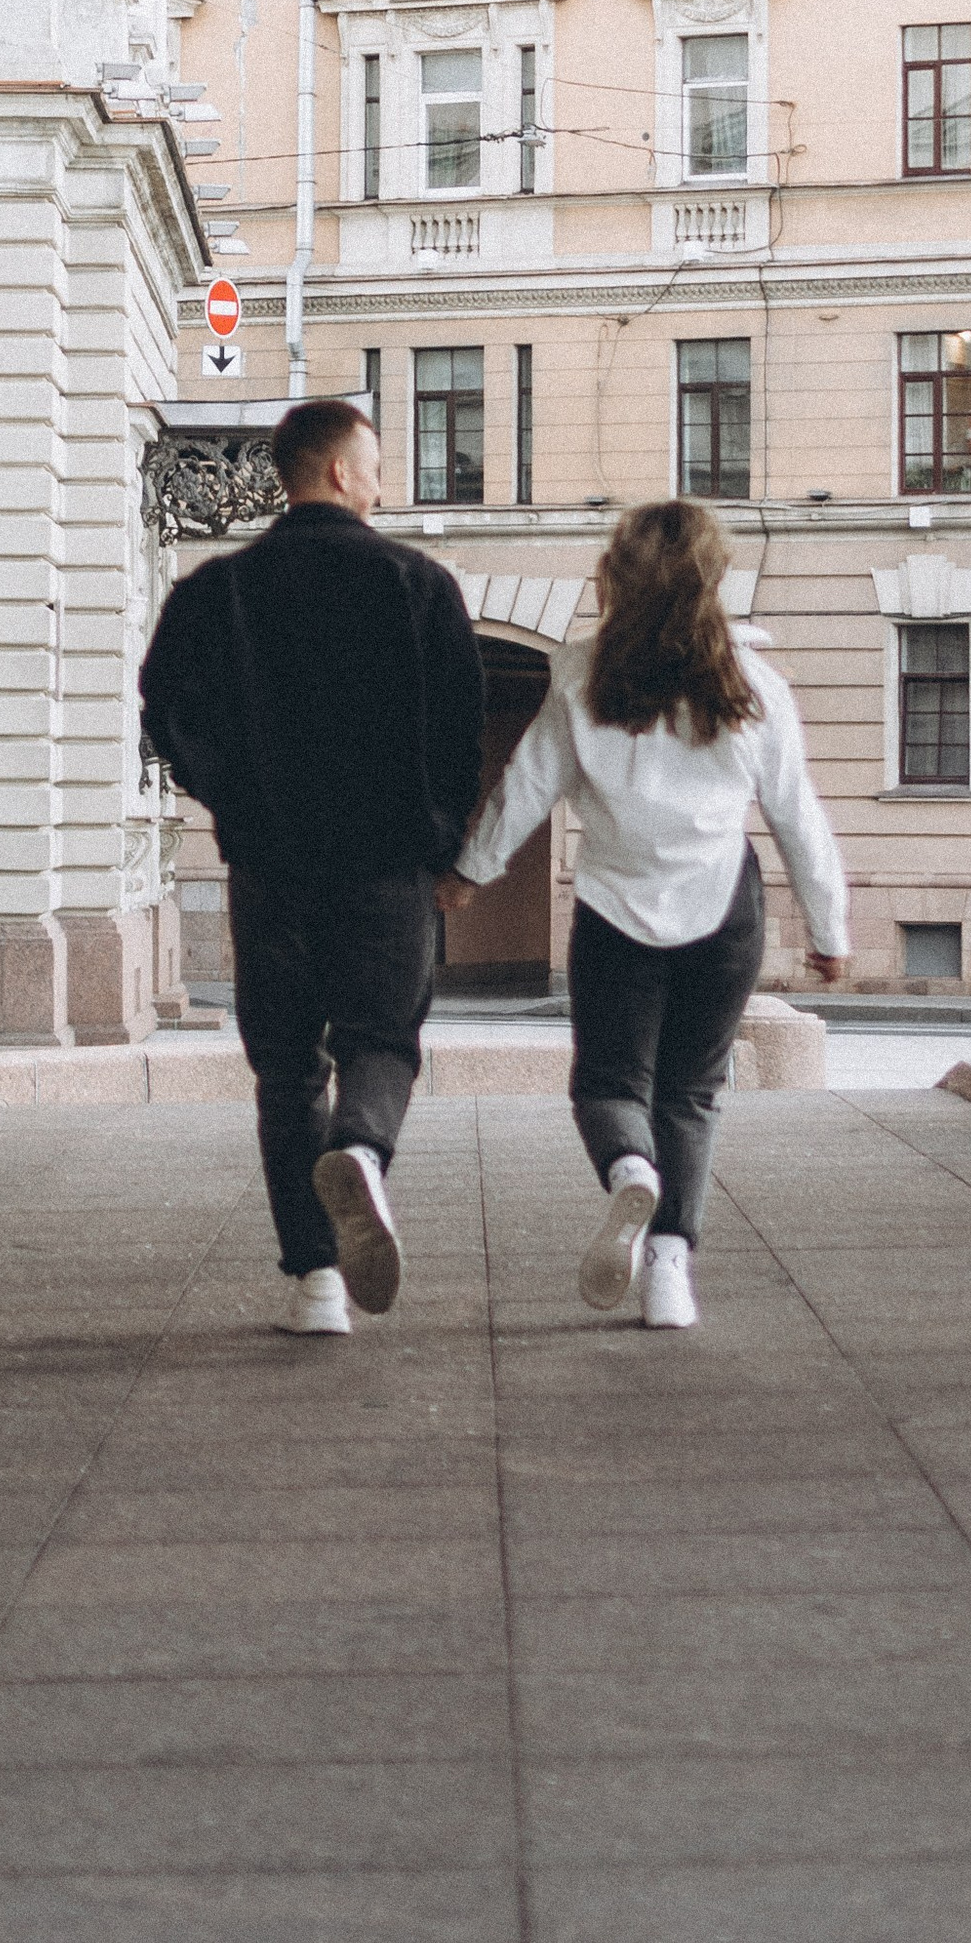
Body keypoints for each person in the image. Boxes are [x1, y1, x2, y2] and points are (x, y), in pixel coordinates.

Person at [441, 499, 848, 1329]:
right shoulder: (754, 685)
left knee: (607, 1081)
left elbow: (528, 784)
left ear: (617, 575)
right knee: (692, 1093)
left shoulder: (580, 673)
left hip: (612, 908)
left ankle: (630, 1168)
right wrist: (829, 929)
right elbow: (797, 816)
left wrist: (469, 871)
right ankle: (670, 1275)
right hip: (722, 909)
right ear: (715, 578)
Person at [139, 396, 483, 1336]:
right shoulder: (418, 585)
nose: (382, 482)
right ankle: (364, 1149)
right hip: (386, 869)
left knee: (288, 1070)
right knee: (382, 1042)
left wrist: (237, 803)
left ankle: (316, 1285)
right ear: (338, 471)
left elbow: (166, 712)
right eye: (375, 464)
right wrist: (444, 843)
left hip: (270, 868)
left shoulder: (216, 592)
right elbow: (461, 732)